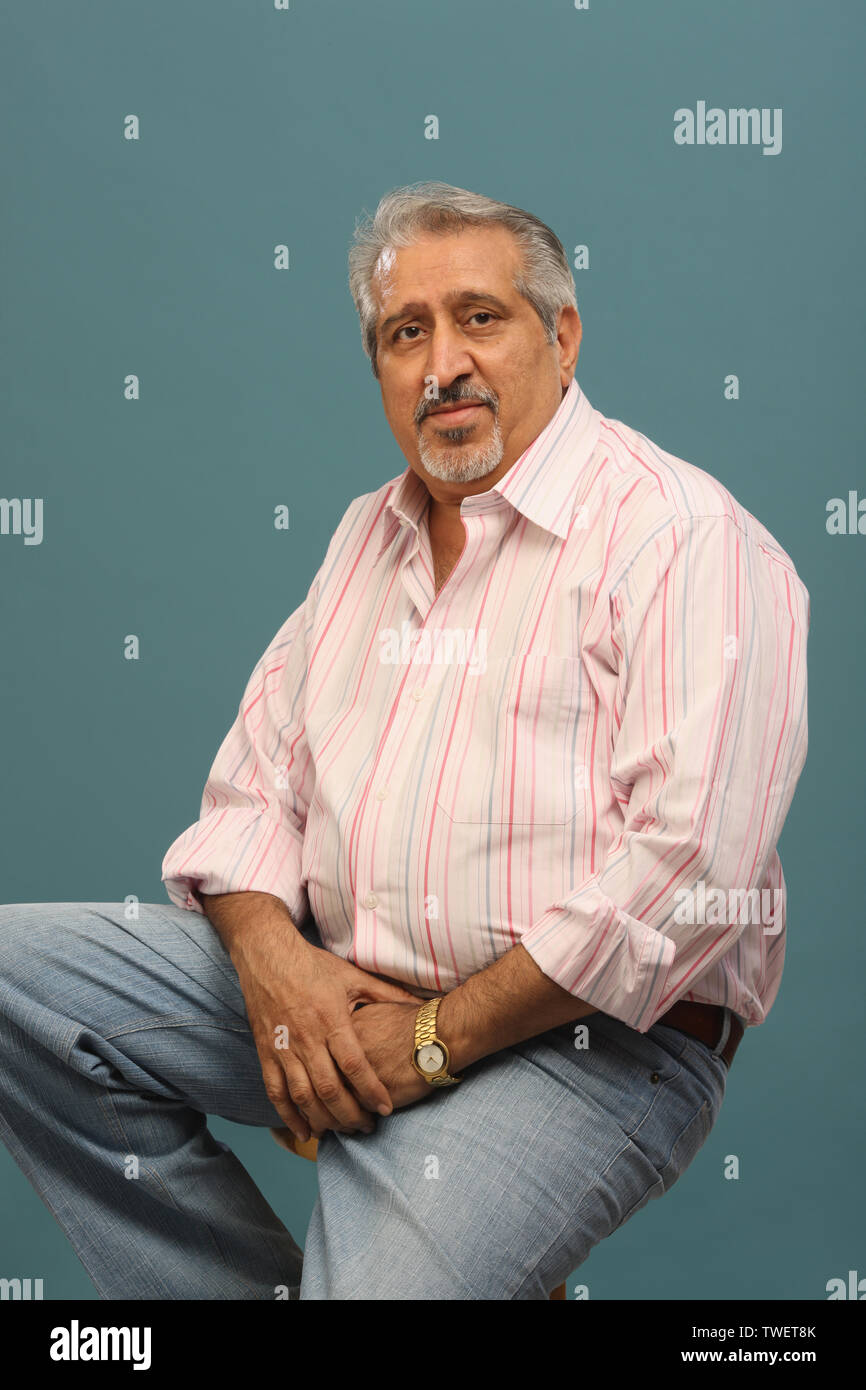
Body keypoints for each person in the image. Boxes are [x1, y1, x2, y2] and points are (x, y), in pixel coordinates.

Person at [0, 181, 809, 1300]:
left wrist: (429, 1037)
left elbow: (684, 876)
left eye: (480, 317)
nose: (442, 364)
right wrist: (281, 972)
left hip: (584, 1043)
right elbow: (246, 801)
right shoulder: (360, 542)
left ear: (561, 337)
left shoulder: (681, 537)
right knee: (17, 981)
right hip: (335, 993)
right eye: (404, 332)